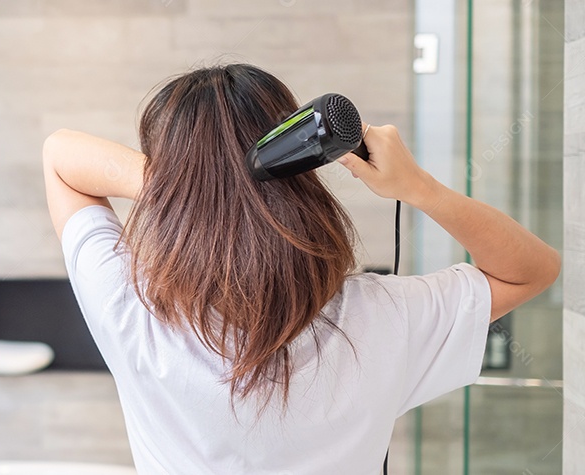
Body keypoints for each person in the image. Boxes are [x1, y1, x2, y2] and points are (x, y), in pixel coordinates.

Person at [41, 64, 560, 474]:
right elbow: (531, 270)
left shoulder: (133, 312)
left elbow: (61, 155)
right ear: (299, 169)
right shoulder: (383, 320)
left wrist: (195, 183)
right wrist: (419, 186)